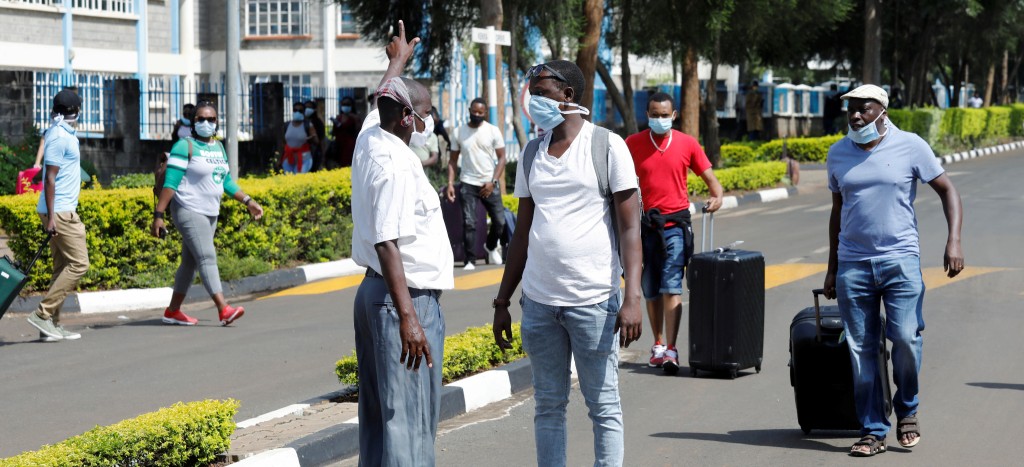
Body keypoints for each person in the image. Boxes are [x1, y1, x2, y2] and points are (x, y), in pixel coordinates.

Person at [491, 60, 643, 467]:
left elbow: (631, 229)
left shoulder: (607, 146)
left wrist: (632, 296)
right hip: (540, 304)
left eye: (541, 93)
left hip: (593, 302)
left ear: (568, 96)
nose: (533, 101)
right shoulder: (531, 153)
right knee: (548, 405)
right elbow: (521, 234)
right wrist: (503, 301)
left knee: (603, 405)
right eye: (531, 93)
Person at [823, 84, 964, 457]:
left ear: (882, 111)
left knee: (905, 338)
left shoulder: (911, 146)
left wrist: (953, 241)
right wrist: (832, 268)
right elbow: (838, 211)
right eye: (851, 109)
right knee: (861, 350)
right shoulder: (838, 153)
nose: (855, 115)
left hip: (900, 260)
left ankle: (908, 408)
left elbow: (948, 190)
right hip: (853, 265)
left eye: (864, 109)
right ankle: (873, 431)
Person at [350, 21, 454, 466]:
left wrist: (397, 62)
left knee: (382, 417)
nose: (431, 122)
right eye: (426, 114)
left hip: (377, 296)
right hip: (402, 300)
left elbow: (382, 99)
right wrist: (410, 319)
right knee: (409, 419)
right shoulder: (394, 163)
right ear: (408, 118)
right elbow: (387, 243)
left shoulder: (371, 137)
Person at [624, 92, 723, 374]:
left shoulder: (687, 143)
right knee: (650, 288)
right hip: (644, 228)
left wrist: (717, 198)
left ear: (674, 115)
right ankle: (657, 344)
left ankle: (671, 348)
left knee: (671, 285)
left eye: (664, 115)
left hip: (676, 227)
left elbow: (713, 183)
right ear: (647, 115)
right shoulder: (632, 144)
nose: (659, 119)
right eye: (654, 115)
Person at [151, 101, 264, 327]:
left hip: (210, 212)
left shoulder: (218, 147)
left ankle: (173, 311)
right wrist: (158, 215)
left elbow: (225, 181)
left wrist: (248, 201)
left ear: (217, 122)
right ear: (193, 122)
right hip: (188, 209)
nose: (206, 122)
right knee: (207, 257)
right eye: (200, 119)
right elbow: (171, 183)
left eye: (211, 119)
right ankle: (224, 309)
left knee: (189, 263)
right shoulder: (184, 146)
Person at [25, 89, 89, 342]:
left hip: (59, 209)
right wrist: (52, 218)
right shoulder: (60, 136)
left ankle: (50, 325)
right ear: (76, 111)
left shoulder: (60, 132)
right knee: (79, 264)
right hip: (60, 211)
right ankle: (43, 314)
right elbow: (50, 178)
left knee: (61, 267)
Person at [445, 98, 507, 269]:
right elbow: (452, 160)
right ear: (469, 110)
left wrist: (493, 181)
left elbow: (502, 158)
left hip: (489, 182)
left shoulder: (493, 131)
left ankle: (491, 246)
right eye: (474, 111)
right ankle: (470, 260)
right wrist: (450, 183)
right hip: (468, 182)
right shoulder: (459, 132)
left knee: (500, 221)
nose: (477, 114)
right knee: (469, 222)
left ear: (485, 113)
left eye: (481, 112)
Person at [279, 101, 319, 173]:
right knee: (289, 178)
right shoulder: (287, 125)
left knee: (299, 177)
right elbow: (283, 143)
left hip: (304, 159)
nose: (297, 112)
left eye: (300, 111)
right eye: (295, 110)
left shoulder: (308, 125)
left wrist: (311, 137)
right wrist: (280, 159)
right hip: (289, 158)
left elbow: (316, 141)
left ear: (304, 112)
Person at [331, 96, 360, 168]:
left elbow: (358, 130)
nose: (345, 106)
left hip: (350, 145)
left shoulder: (355, 117)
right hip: (339, 145)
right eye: (344, 104)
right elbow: (334, 132)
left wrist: (355, 119)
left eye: (348, 104)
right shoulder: (339, 117)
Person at [304, 99, 326, 171]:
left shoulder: (318, 123)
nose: (307, 109)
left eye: (309, 107)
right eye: (305, 107)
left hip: (314, 150)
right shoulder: (302, 122)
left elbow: (321, 139)